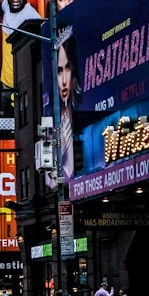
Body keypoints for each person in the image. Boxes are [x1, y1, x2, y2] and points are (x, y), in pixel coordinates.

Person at [0, 0, 42, 112]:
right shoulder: (7, 6)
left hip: (21, 85)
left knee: (22, 126)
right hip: (5, 83)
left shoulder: (32, 17)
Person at [52, 32, 81, 185]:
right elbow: (51, 182)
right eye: (59, 71)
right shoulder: (53, 128)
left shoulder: (83, 119)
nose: (64, 80)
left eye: (67, 68)